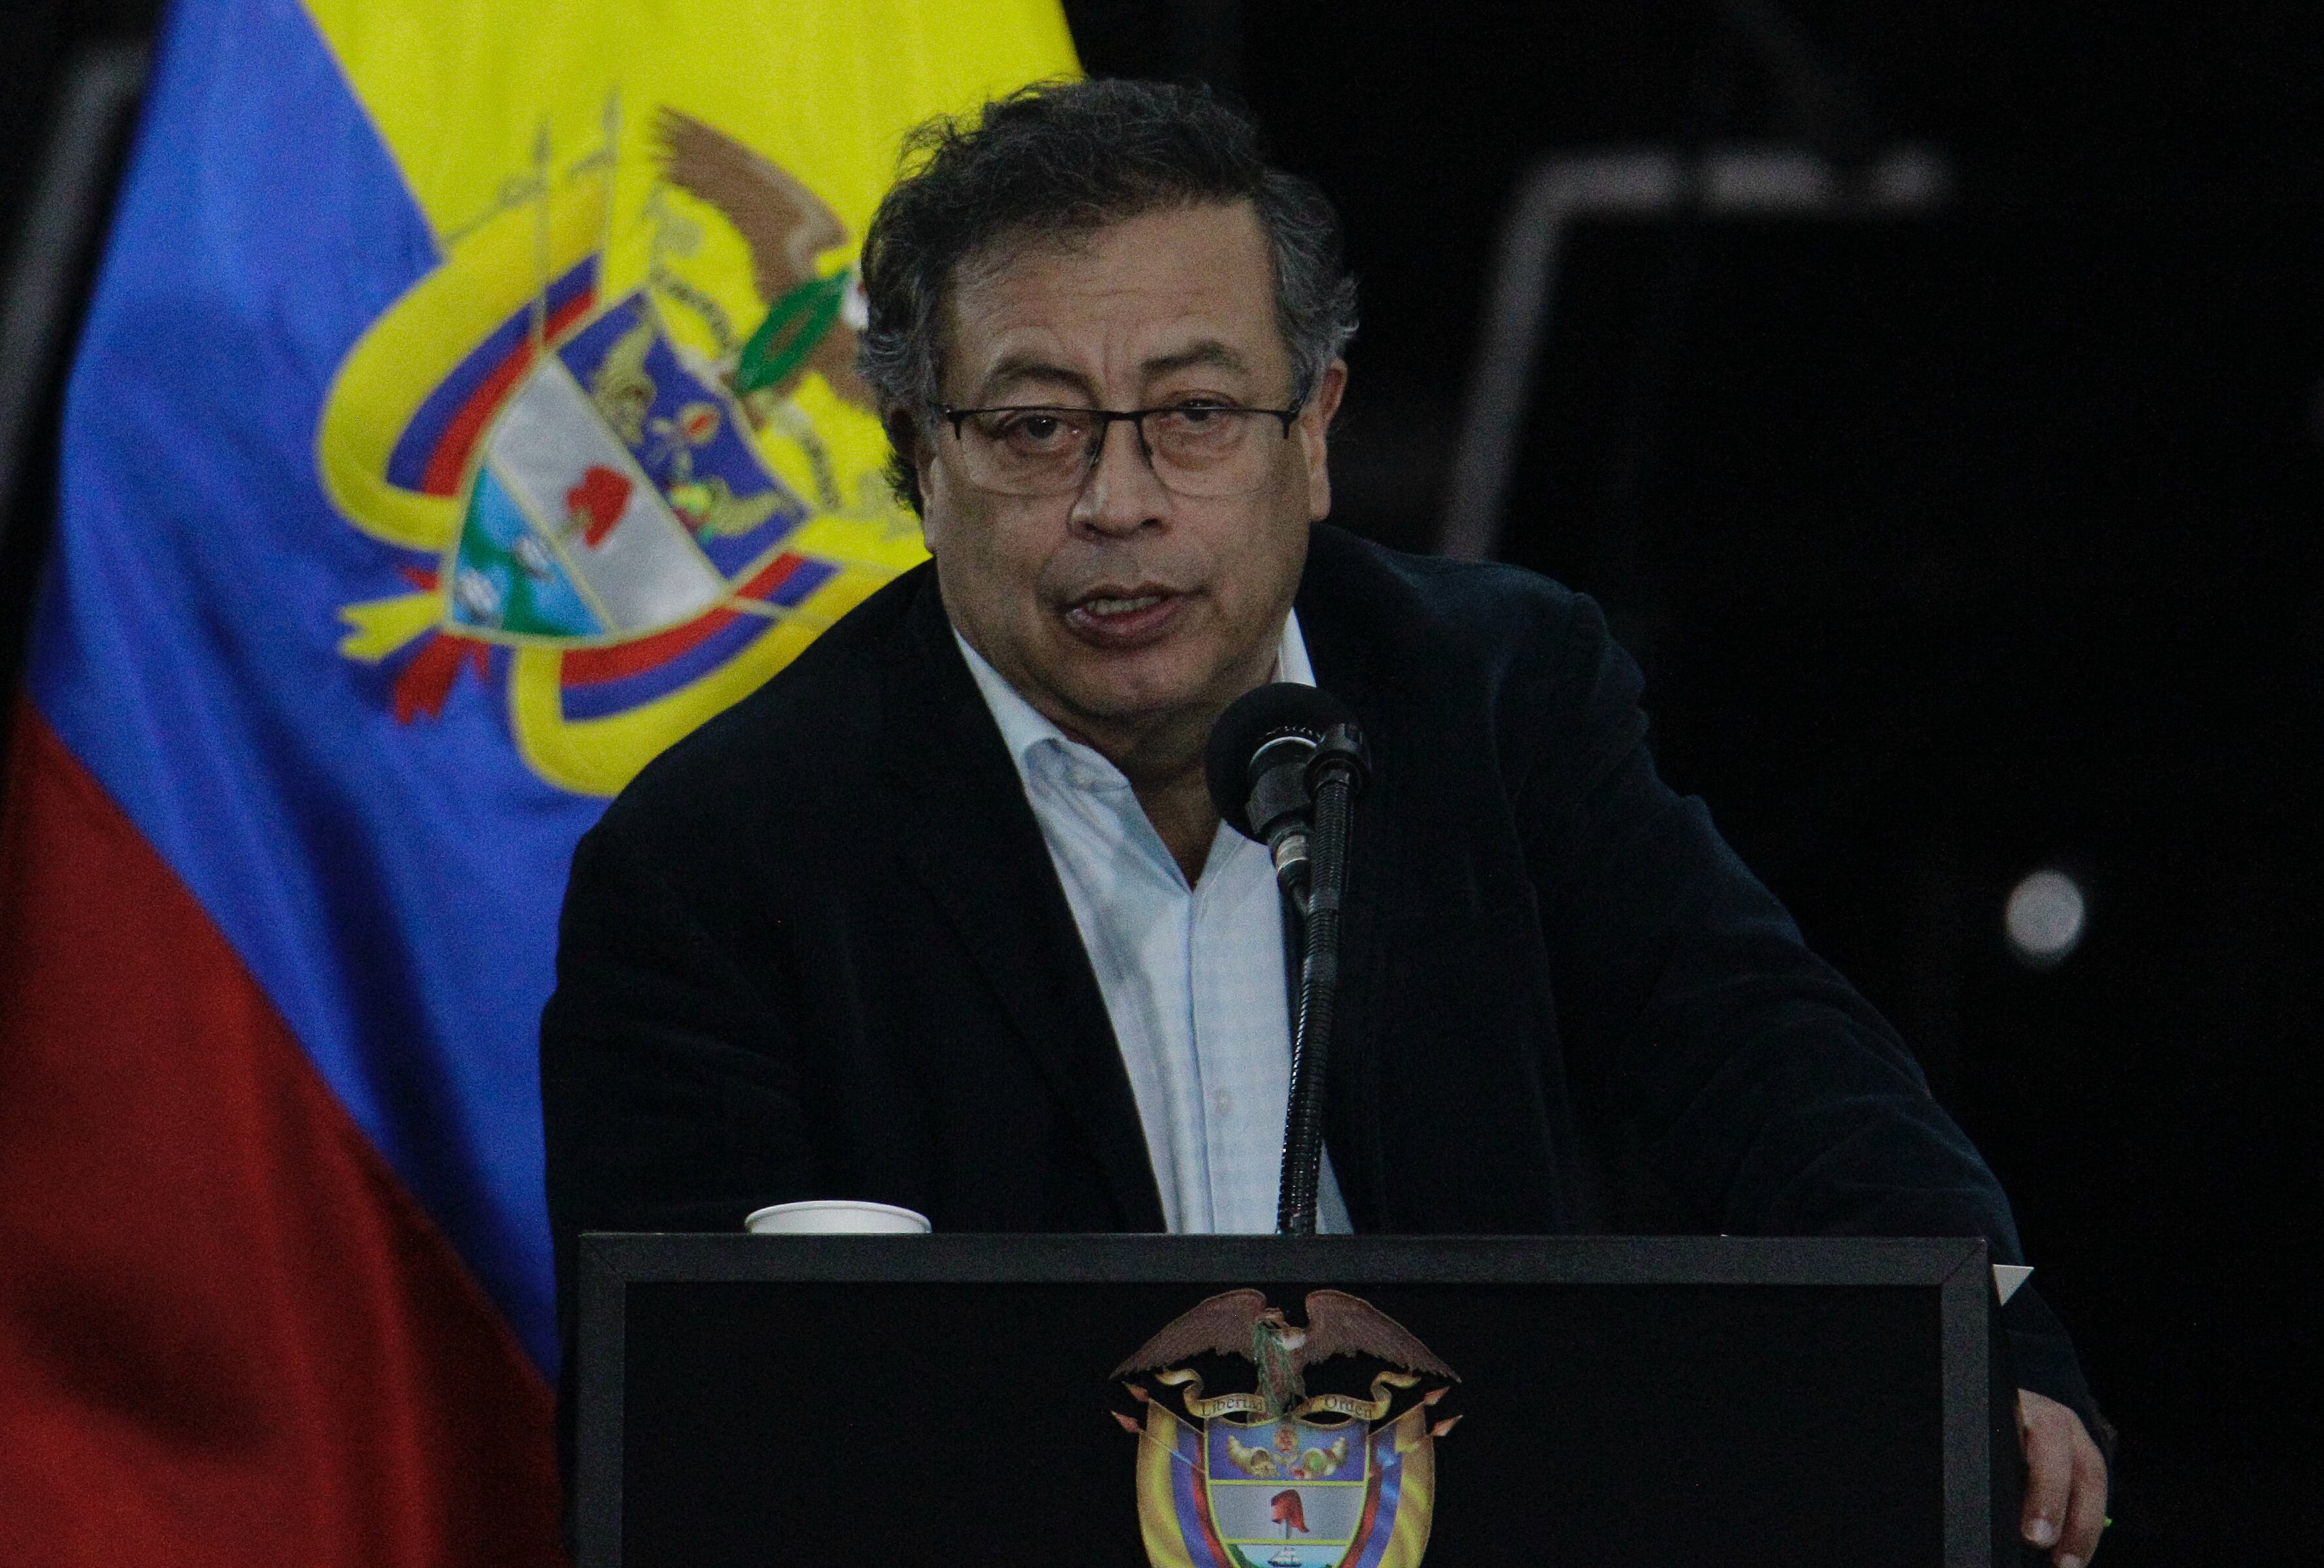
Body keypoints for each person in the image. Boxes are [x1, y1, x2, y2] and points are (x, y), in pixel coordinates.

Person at [540, 79, 2109, 1563]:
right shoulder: (716, 863)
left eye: (1197, 412)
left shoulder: (1498, 698)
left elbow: (1769, 1057)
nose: (1121, 499)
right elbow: (688, 1416)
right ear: (917, 463)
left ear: (1317, 430)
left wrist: (1988, 1335)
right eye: (1034, 429)